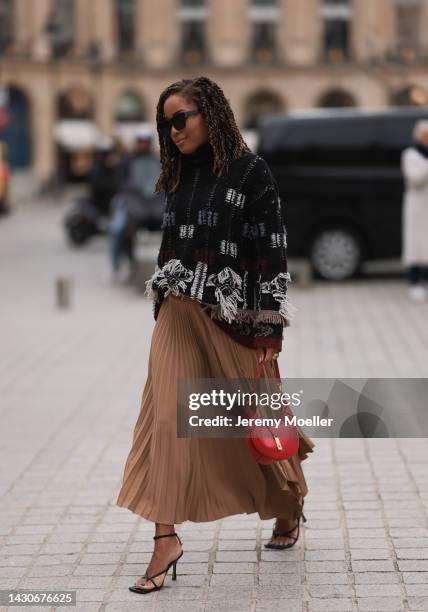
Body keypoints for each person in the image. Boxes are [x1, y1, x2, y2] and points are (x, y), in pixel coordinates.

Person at [116, 76, 315, 594]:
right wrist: (162, 304)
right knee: (165, 419)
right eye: (166, 122)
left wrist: (270, 326)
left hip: (233, 320)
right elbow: (170, 244)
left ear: (211, 115)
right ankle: (165, 538)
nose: (173, 129)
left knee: (251, 417)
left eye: (180, 118)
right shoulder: (177, 173)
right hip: (179, 316)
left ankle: (288, 504)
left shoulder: (251, 172)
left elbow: (272, 250)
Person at [109, 129, 162, 280]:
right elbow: (119, 183)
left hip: (154, 203)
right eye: (141, 142)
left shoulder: (156, 161)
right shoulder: (127, 161)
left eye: (146, 142)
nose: (143, 145)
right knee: (117, 229)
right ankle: (116, 266)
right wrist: (130, 190)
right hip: (131, 202)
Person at [401, 120, 428, 301]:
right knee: (416, 245)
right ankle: (415, 283)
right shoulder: (410, 155)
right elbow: (414, 179)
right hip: (417, 206)